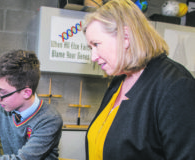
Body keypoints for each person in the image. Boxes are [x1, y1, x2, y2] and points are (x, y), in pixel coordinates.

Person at [83, 0, 195, 160]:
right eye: (90, 48)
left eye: (96, 44)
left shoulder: (176, 85)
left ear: (126, 37)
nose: (93, 57)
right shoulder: (118, 81)